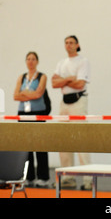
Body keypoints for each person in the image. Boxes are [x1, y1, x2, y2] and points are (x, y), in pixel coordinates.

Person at [52, 35, 91, 190]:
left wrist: (63, 80)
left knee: (81, 140)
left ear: (77, 45)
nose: (68, 45)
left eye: (71, 43)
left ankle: (89, 179)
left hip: (79, 101)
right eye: (66, 43)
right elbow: (54, 83)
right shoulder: (61, 63)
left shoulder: (83, 61)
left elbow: (80, 84)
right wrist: (69, 78)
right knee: (64, 139)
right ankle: (68, 177)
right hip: (64, 102)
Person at [13, 51, 50, 187]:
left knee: (40, 146)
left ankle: (43, 177)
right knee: (25, 147)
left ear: (37, 61)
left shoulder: (42, 76)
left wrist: (24, 93)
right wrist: (29, 93)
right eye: (28, 59)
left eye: (33, 59)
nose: (30, 61)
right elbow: (15, 96)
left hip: (38, 113)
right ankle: (28, 177)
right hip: (23, 113)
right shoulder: (22, 77)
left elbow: (39, 93)